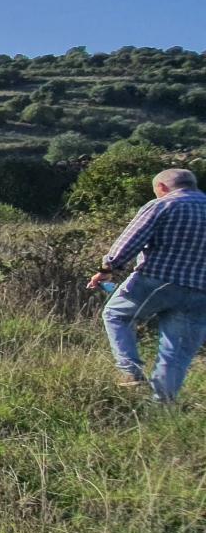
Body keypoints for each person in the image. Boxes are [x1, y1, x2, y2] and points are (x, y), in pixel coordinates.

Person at [88, 168, 206, 403]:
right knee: (175, 352)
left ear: (162, 187)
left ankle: (130, 372)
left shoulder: (162, 205)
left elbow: (128, 243)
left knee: (116, 315)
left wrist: (106, 270)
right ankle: (162, 406)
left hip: (155, 280)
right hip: (200, 290)